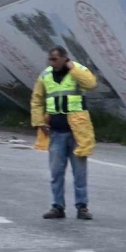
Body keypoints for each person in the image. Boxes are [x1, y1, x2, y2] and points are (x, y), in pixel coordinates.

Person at [31, 46, 97, 220]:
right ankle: (57, 207)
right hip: (56, 131)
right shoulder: (45, 75)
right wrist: (39, 122)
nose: (52, 62)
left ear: (64, 58)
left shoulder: (78, 70)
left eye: (55, 59)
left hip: (78, 132)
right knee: (56, 172)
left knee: (79, 172)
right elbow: (37, 100)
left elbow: (90, 84)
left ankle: (82, 207)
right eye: (50, 59)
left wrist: (72, 68)